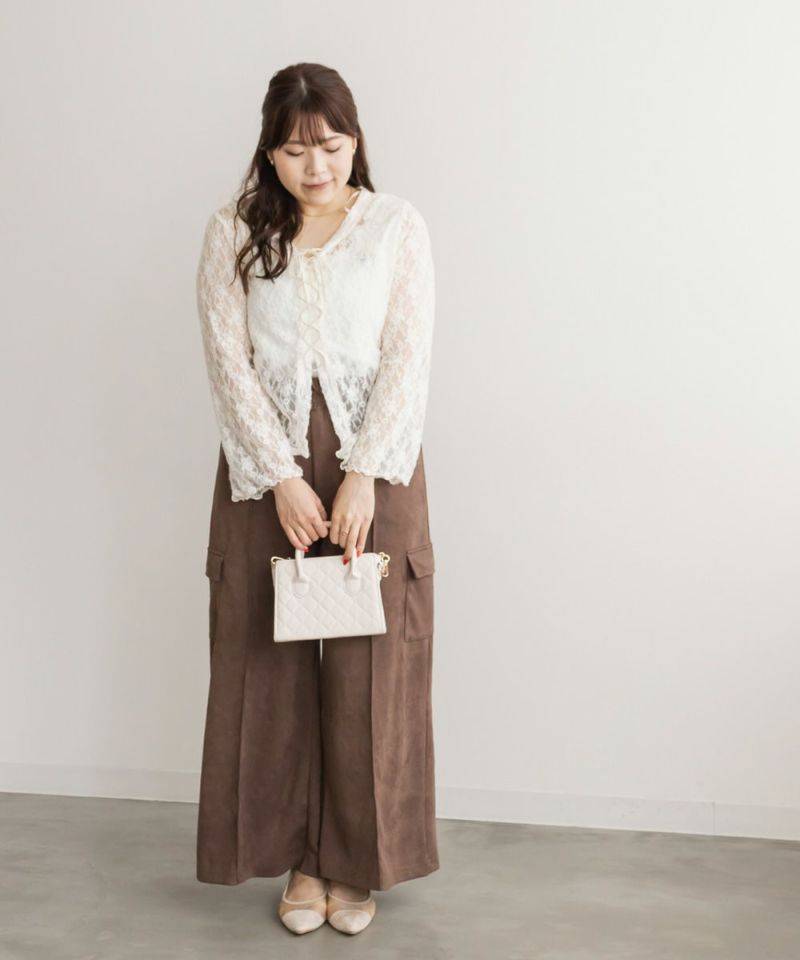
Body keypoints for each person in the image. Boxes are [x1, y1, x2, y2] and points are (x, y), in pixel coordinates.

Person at [194, 62, 439, 936]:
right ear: (270, 151)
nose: (316, 166)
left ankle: (353, 864)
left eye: (331, 146)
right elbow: (227, 363)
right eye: (296, 150)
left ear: (354, 141)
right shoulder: (233, 231)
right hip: (267, 464)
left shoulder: (395, 226)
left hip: (380, 460)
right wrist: (283, 475)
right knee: (267, 663)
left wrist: (364, 472)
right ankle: (300, 861)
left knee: (375, 668)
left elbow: (409, 355)